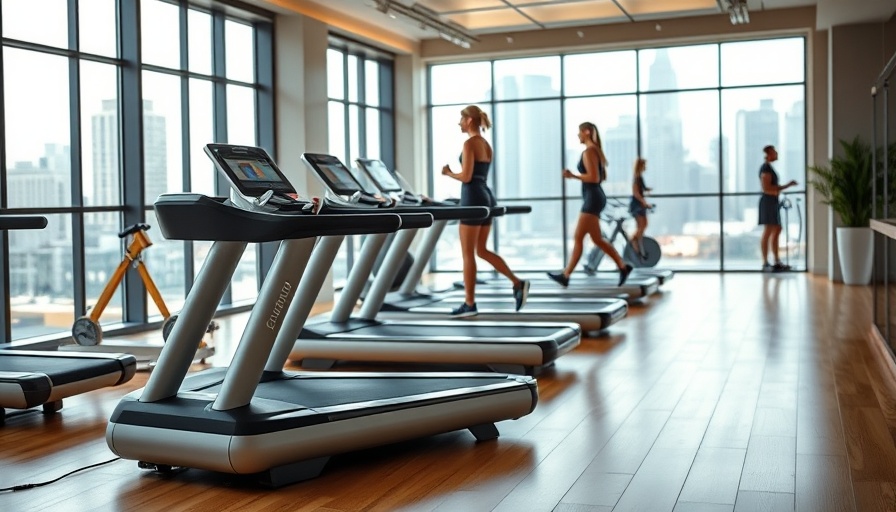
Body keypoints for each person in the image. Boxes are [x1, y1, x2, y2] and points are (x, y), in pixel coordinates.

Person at [441, 105, 529, 318]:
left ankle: (469, 304)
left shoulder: (470, 143)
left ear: (469, 120)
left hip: (472, 198)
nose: (459, 123)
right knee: (481, 250)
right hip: (486, 197)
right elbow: (477, 175)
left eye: (461, 119)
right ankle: (517, 283)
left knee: (468, 254)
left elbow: (467, 177)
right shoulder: (486, 144)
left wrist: (449, 172)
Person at [548, 122, 633, 288]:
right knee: (597, 239)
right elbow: (599, 177)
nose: (578, 136)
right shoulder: (595, 151)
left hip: (593, 198)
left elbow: (594, 178)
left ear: (587, 132)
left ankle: (566, 275)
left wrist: (573, 175)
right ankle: (623, 267)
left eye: (579, 132)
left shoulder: (589, 151)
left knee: (579, 237)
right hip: (594, 197)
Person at [758, 144, 797, 272]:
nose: (777, 154)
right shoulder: (765, 168)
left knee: (777, 229)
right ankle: (765, 262)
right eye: (774, 152)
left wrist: (783, 188)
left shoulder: (769, 168)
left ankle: (776, 260)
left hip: (773, 202)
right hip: (768, 202)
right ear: (769, 154)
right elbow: (767, 188)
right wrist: (786, 186)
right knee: (768, 230)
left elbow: (772, 188)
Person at [628, 158, 652, 260]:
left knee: (643, 225)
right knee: (641, 226)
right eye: (644, 165)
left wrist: (647, 189)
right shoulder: (636, 178)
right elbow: (636, 193)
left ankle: (638, 243)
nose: (645, 167)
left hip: (639, 205)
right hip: (637, 205)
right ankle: (634, 240)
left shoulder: (639, 177)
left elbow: (640, 190)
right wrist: (644, 202)